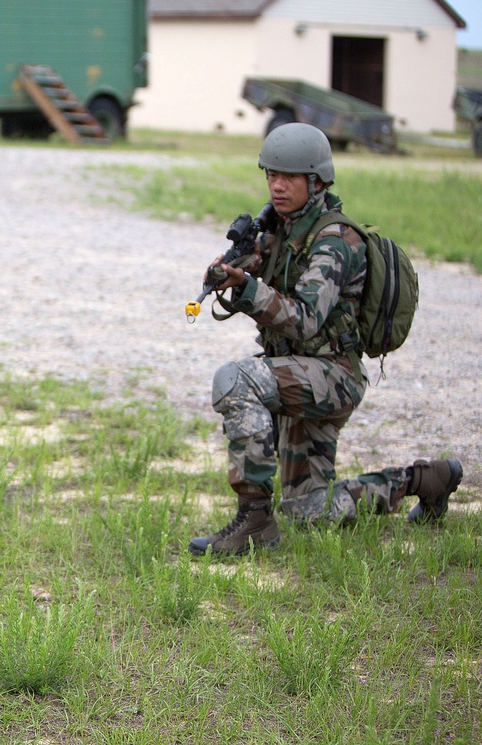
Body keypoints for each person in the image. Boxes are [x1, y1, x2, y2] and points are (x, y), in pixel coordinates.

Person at [188, 122, 462, 556]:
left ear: (316, 181)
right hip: (301, 372)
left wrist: (248, 289)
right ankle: (424, 480)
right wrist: (237, 268)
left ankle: (255, 521)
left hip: (332, 377)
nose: (277, 186)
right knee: (308, 509)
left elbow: (306, 319)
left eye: (289, 177)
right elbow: (270, 271)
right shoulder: (283, 228)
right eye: (270, 175)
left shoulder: (335, 240)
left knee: (236, 379)